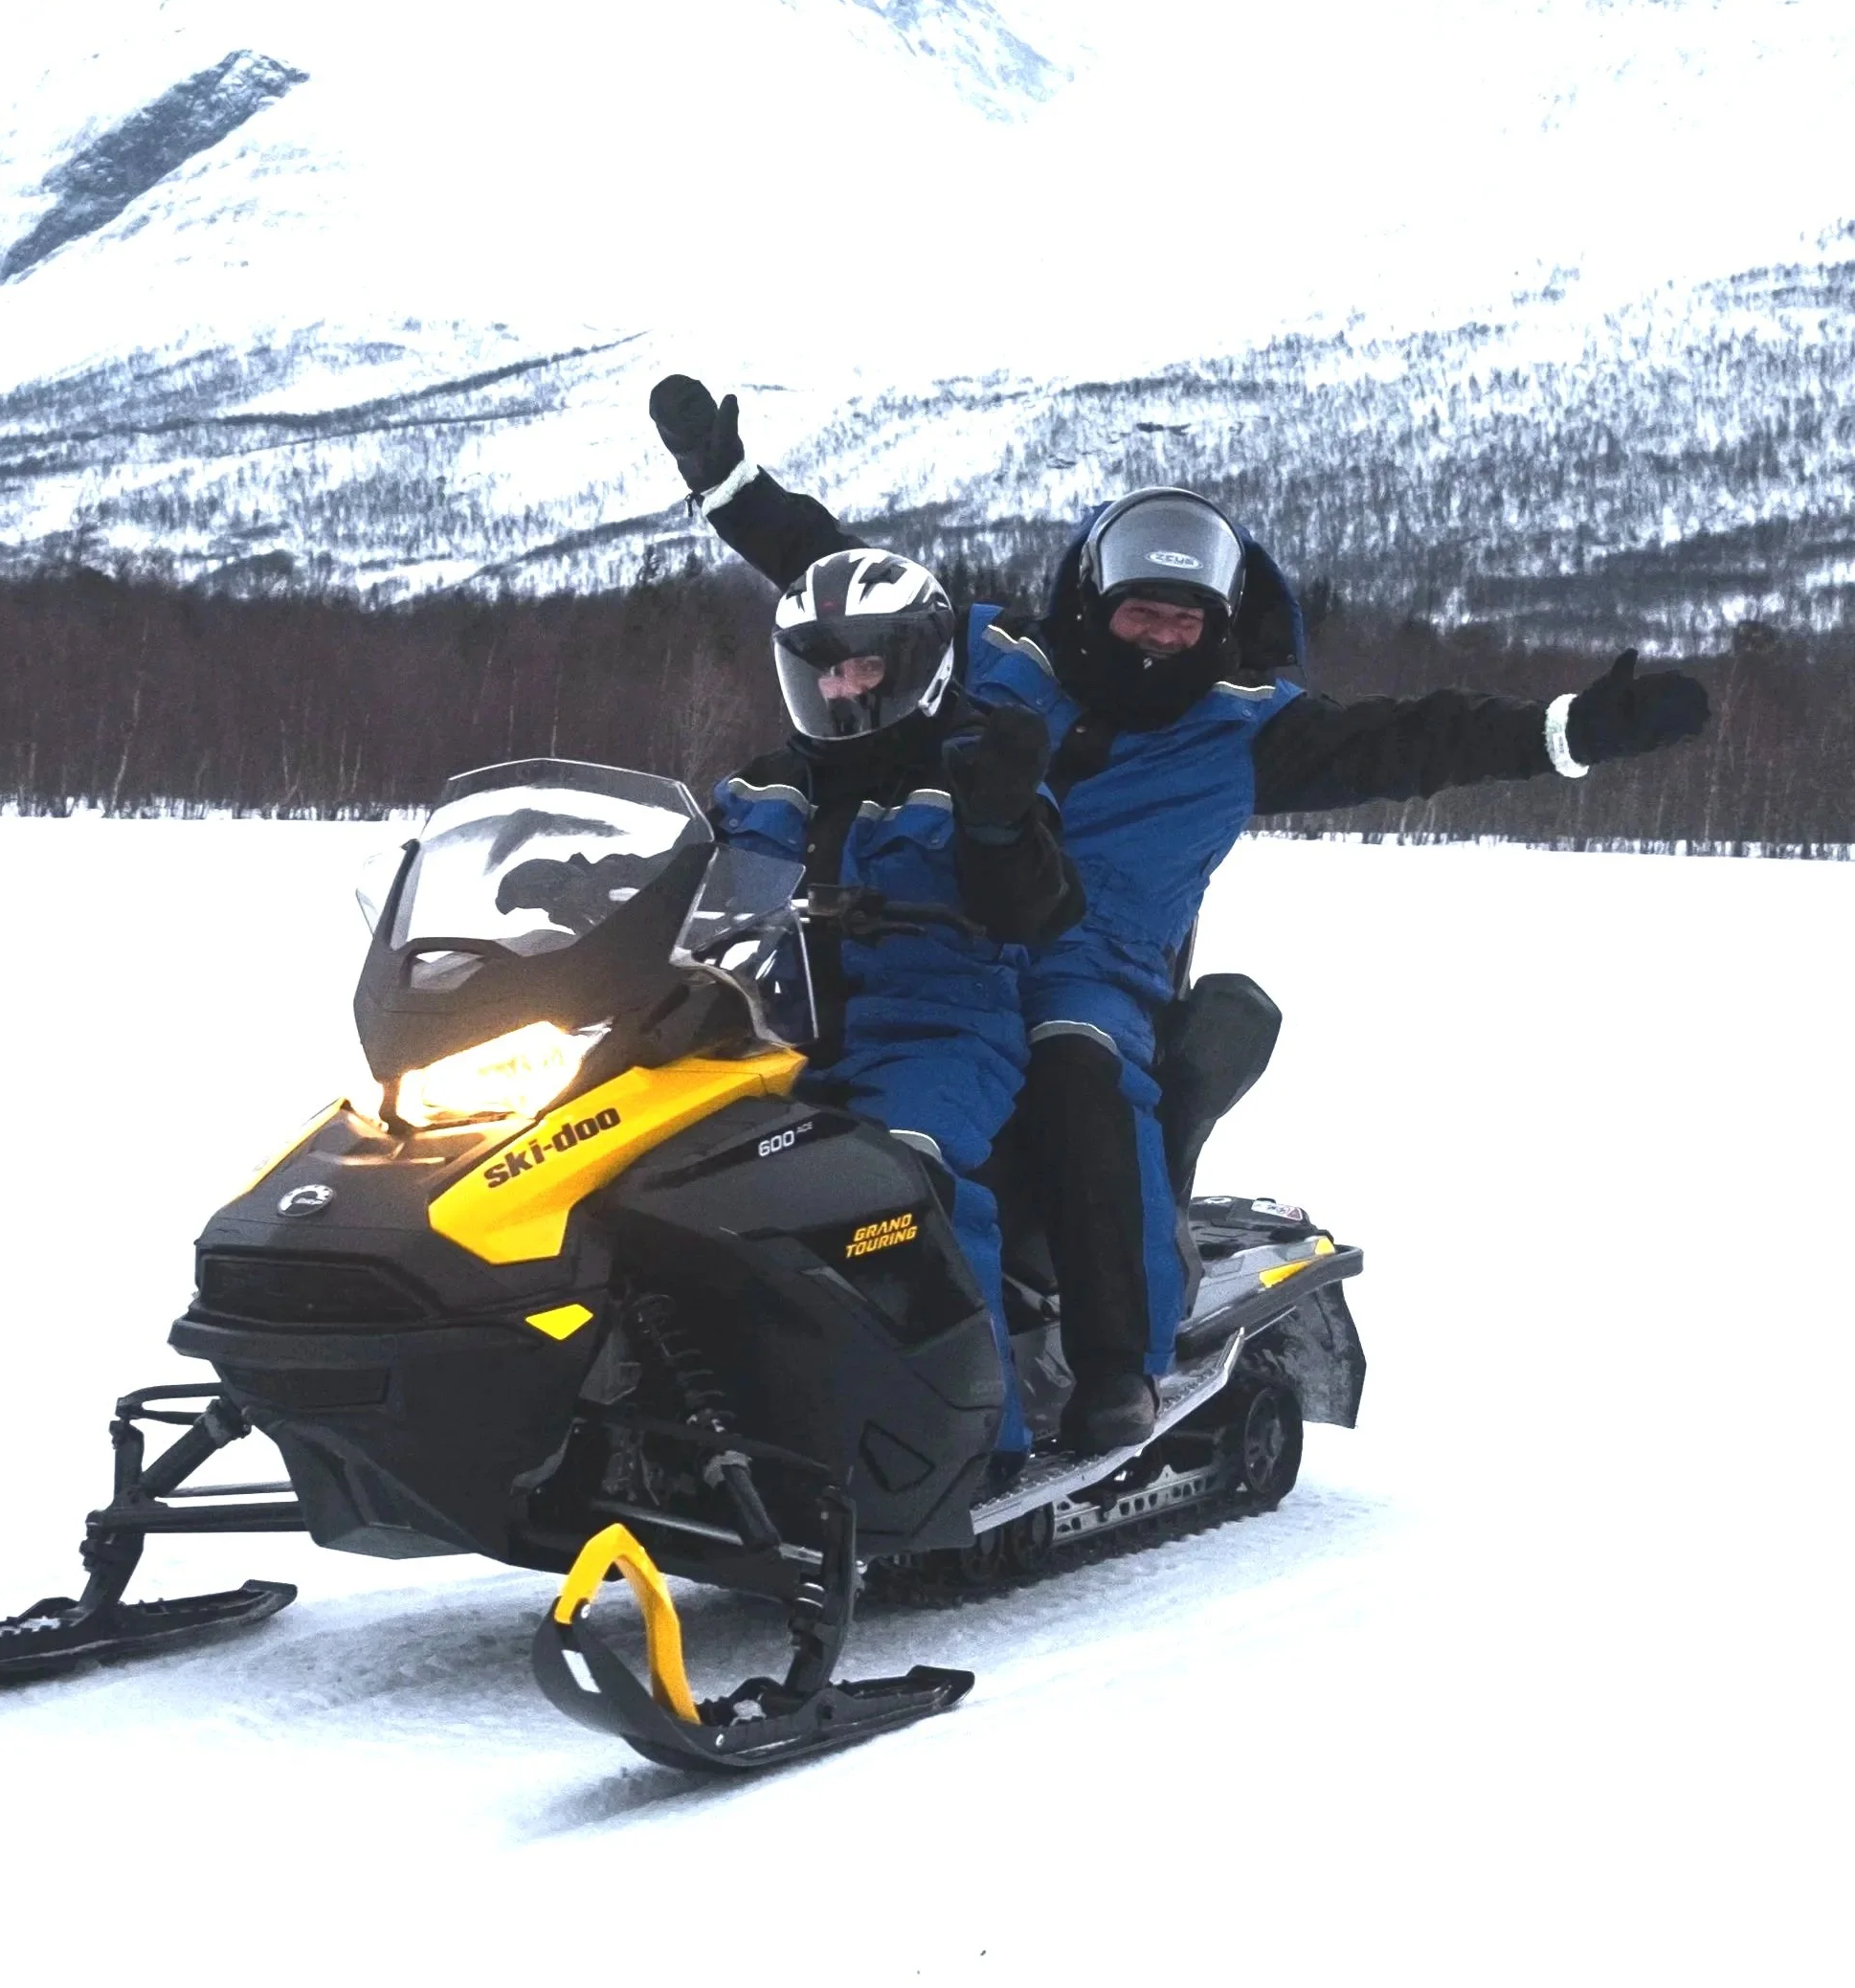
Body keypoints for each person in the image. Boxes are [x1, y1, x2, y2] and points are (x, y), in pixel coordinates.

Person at [652, 375, 1711, 1453]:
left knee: (1074, 1058)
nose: (1158, 639)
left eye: (1183, 618)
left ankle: (1114, 1362)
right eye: (1139, 612)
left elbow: (1418, 739)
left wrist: (1573, 732)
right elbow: (845, 582)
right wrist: (724, 480)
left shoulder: (1245, 728)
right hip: (928, 941)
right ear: (1092, 603)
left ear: (1216, 626)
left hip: (1094, 962)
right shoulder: (1002, 656)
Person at [708, 542, 1083, 1480]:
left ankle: (977, 1445)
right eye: (823, 672)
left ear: (919, 665)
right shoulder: (768, 783)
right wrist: (580, 877)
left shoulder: (978, 769)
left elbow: (1040, 906)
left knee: (902, 1178)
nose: (840, 690)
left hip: (940, 1031)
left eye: (863, 668)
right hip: (775, 1034)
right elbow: (694, 872)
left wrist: (1000, 825)